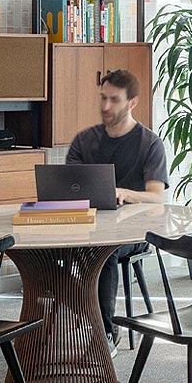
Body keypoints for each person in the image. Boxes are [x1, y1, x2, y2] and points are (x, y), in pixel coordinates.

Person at [65, 68, 169, 342]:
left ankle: (106, 332)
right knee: (52, 251)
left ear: (132, 102)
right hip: (88, 224)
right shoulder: (84, 140)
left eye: (114, 99)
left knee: (104, 248)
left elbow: (157, 198)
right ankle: (73, 320)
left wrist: (124, 192)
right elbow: (68, 186)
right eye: (103, 98)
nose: (105, 106)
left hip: (134, 232)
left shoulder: (150, 144)